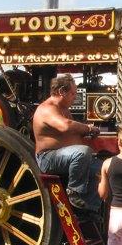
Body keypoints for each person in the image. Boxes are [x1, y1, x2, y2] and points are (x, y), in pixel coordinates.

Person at [33, 74, 101, 210]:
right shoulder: (47, 108)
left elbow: (73, 129)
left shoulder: (63, 109)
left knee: (101, 168)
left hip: (64, 156)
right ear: (61, 92)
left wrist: (86, 132)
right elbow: (66, 126)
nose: (75, 97)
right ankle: (74, 191)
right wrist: (88, 128)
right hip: (48, 158)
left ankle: (90, 210)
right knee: (82, 152)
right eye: (73, 93)